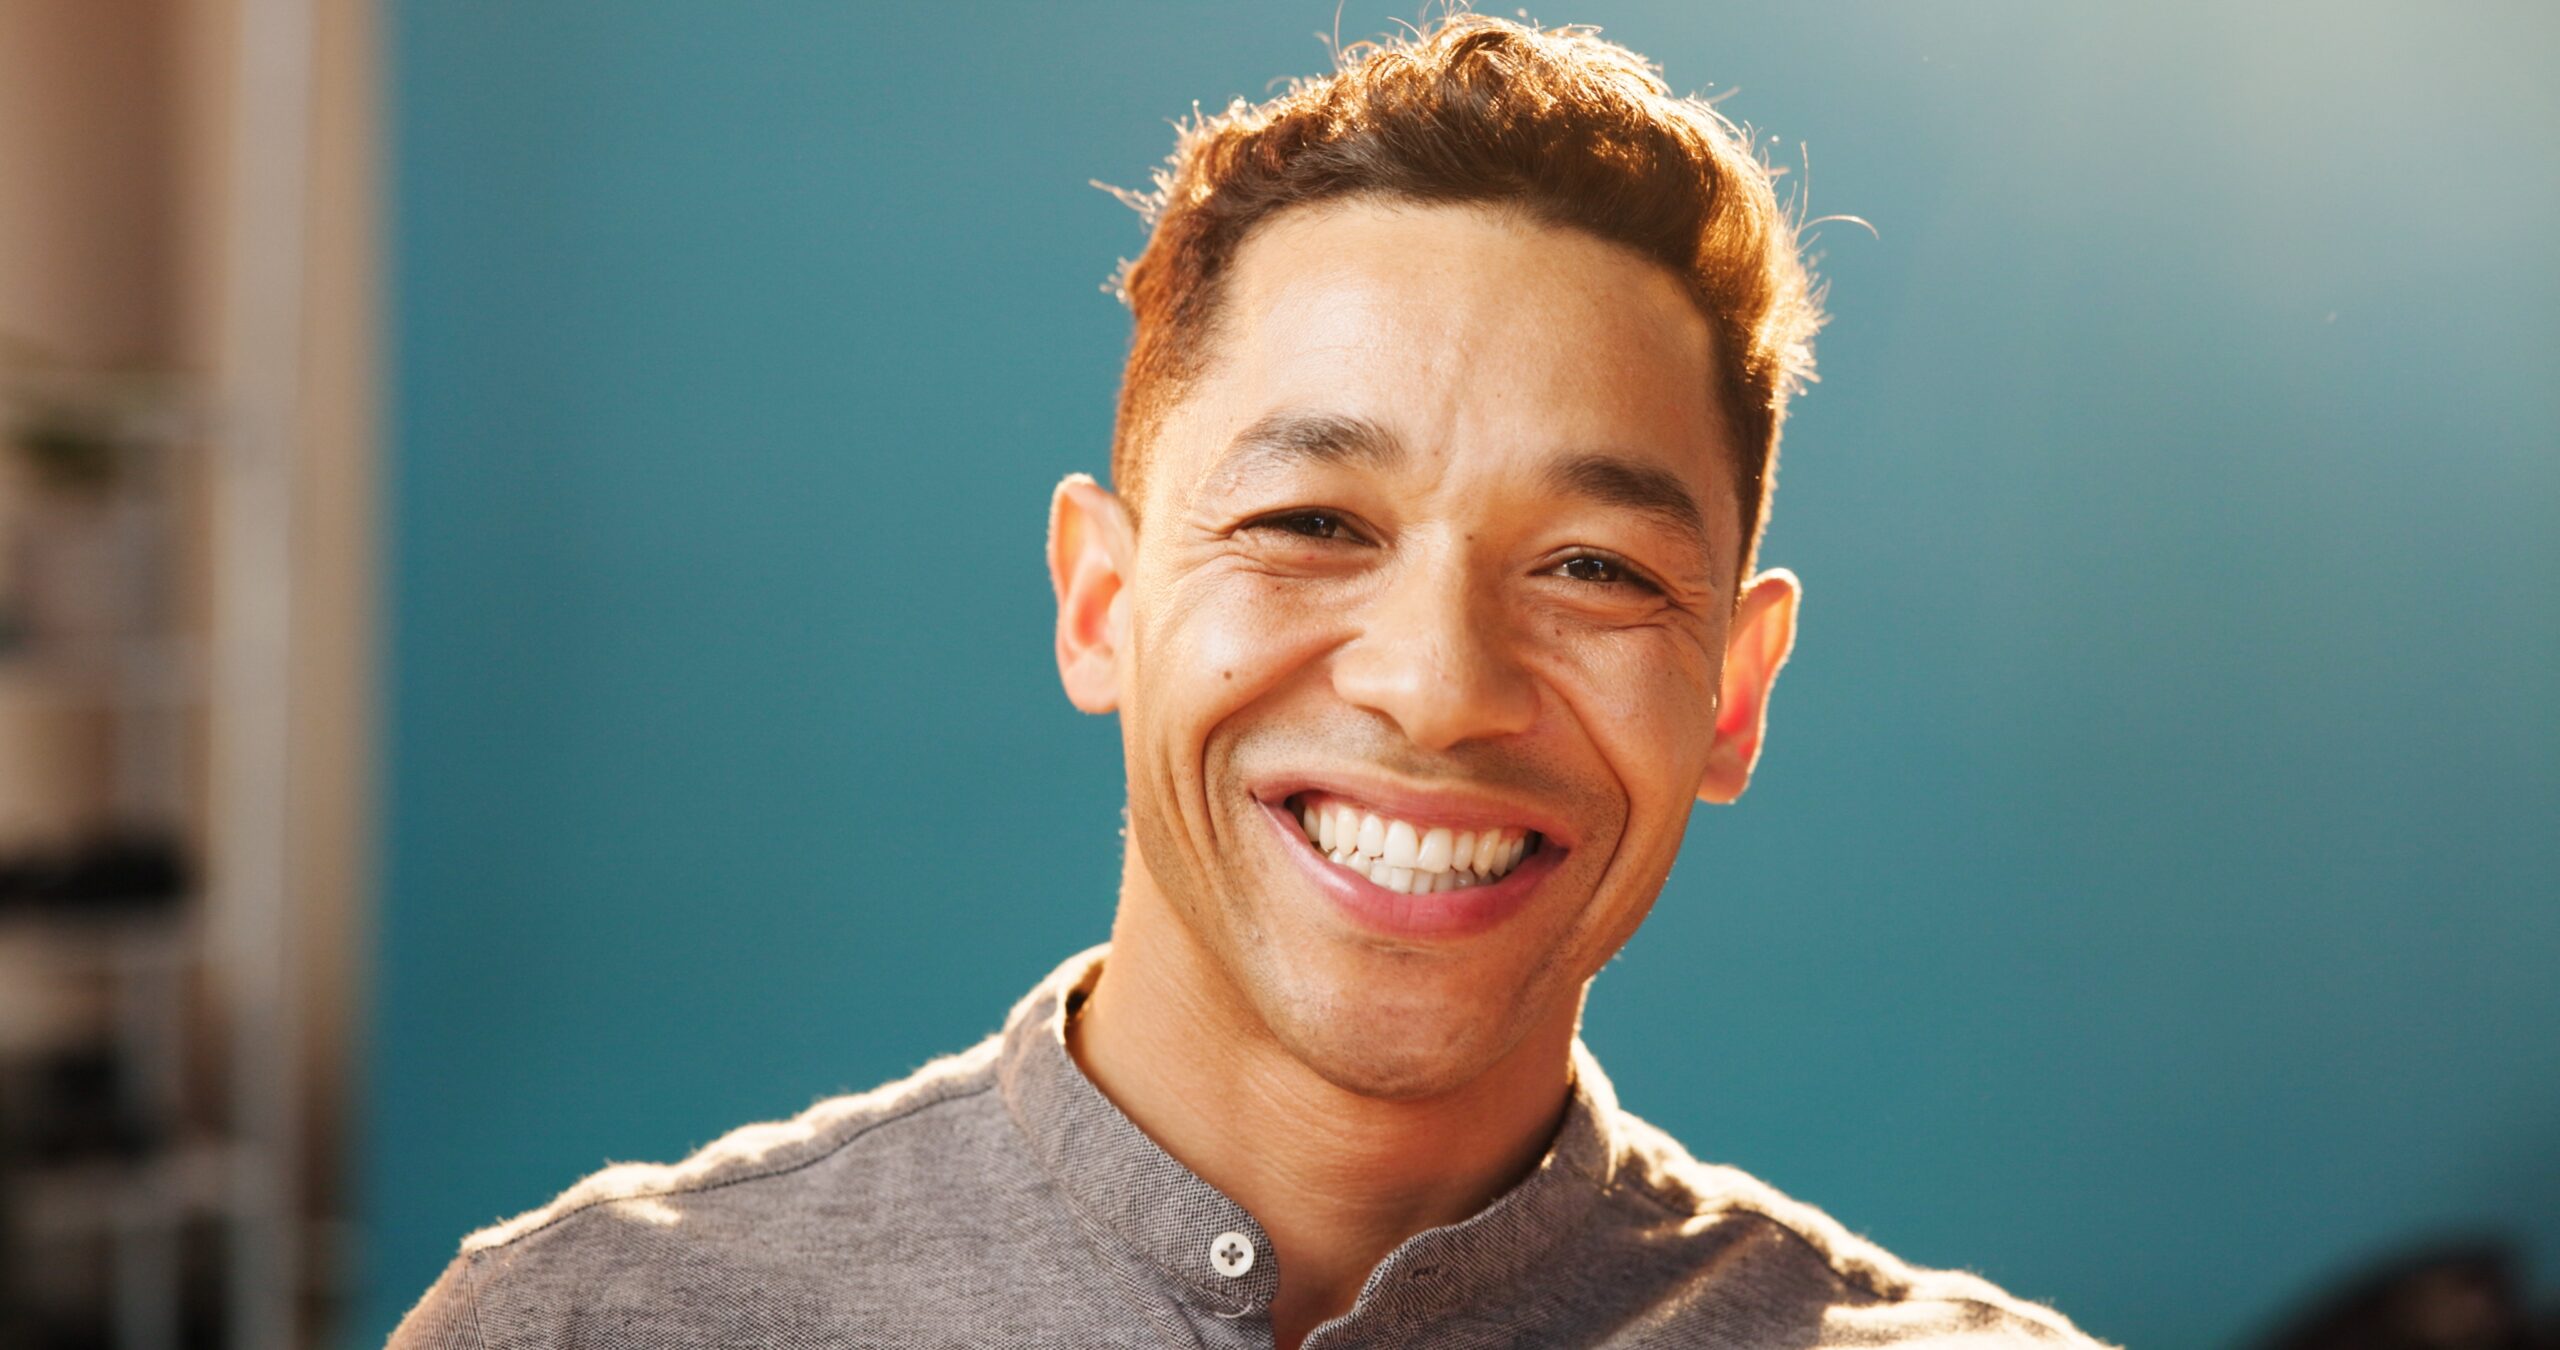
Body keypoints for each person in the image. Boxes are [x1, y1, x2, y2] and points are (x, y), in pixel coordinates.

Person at [391, 14, 2109, 1348]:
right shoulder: (590, 1327)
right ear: (1105, 602)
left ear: (1731, 693)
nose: (1439, 686)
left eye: (1592, 566)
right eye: (1310, 521)